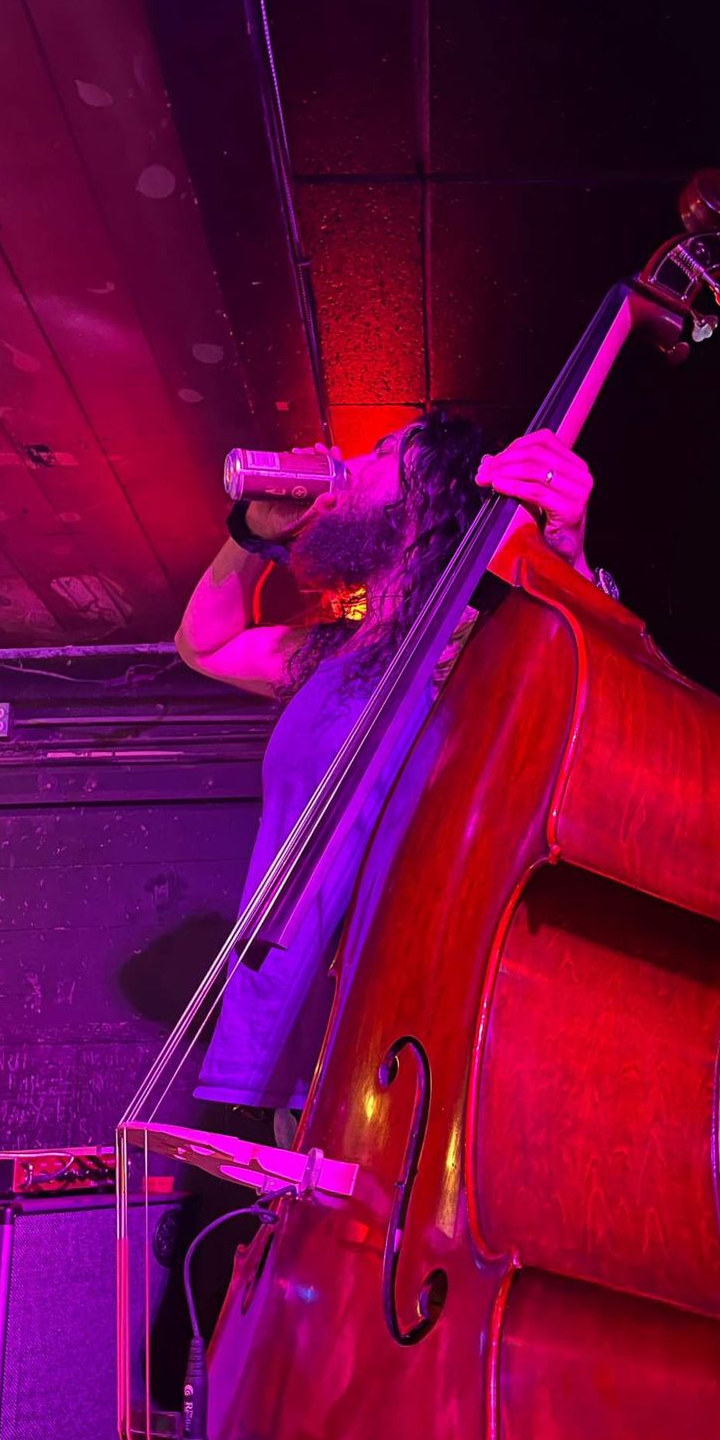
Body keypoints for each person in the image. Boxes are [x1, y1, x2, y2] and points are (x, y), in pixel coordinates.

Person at [174, 413, 597, 1129]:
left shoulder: (481, 643)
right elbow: (203, 644)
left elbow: (586, 688)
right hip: (296, 1040)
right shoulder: (333, 653)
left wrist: (569, 555)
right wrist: (253, 533)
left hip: (402, 1043)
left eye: (381, 452)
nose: (350, 462)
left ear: (434, 490)